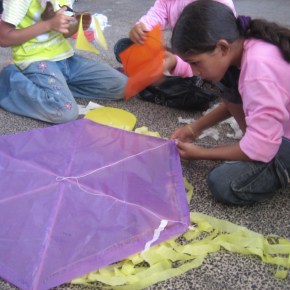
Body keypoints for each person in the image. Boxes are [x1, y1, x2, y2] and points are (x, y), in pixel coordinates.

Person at [170, 0, 290, 205]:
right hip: (279, 128)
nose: (195, 71)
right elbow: (234, 100)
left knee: (223, 182)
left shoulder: (257, 70)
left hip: (283, 137)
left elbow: (261, 148)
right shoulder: (246, 44)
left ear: (222, 47)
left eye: (195, 63)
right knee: (224, 81)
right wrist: (194, 128)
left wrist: (202, 153)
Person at [0, 0, 127, 123]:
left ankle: (57, 87)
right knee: (65, 112)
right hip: (35, 60)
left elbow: (65, 31)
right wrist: (48, 24)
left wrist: (78, 22)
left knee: (124, 87)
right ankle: (9, 78)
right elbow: (4, 38)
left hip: (65, 58)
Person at [113, 0, 236, 110]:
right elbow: (152, 19)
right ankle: (149, 80)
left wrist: (176, 63)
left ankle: (145, 83)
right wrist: (139, 31)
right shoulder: (168, 1)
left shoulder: (216, 5)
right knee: (123, 46)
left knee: (200, 95)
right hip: (186, 56)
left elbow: (209, 58)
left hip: (207, 66)